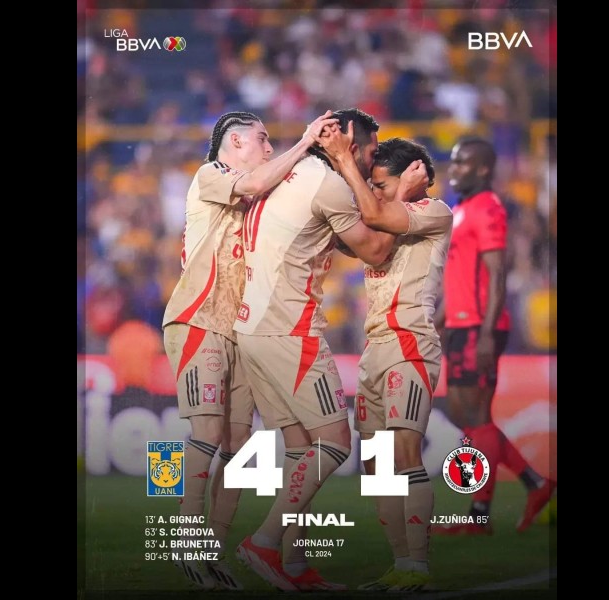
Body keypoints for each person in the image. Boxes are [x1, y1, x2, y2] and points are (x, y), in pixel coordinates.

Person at [232, 109, 425, 591]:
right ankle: (264, 542)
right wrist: (401, 196)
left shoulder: (293, 173)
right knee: (335, 442)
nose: (373, 160)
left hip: (252, 328)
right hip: (289, 330)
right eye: (371, 150)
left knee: (302, 450)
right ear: (348, 144)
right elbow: (375, 251)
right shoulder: (328, 184)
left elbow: (340, 238)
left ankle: (294, 565)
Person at [162, 110, 338, 589]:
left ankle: (214, 550)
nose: (268, 147)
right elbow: (259, 180)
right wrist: (304, 143)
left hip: (241, 328)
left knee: (240, 447)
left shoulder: (258, 192)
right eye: (262, 138)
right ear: (236, 142)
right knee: (207, 430)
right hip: (199, 318)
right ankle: (187, 543)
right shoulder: (211, 173)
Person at [320, 131, 452, 591]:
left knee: (404, 453)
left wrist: (389, 189)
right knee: (376, 466)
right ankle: (400, 563)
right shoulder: (382, 217)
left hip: (409, 343)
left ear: (410, 177)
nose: (373, 192)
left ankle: (418, 567)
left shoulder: (434, 211)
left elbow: (376, 215)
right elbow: (351, 232)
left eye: (380, 183)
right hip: (374, 348)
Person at [432, 137, 555, 536]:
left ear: (483, 169)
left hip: (478, 326)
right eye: (453, 162)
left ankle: (479, 515)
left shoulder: (488, 208)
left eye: (462, 163)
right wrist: (438, 321)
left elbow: (497, 273)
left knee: (476, 417)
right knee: (465, 416)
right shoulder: (460, 210)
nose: (454, 170)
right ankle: (537, 484)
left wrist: (486, 333)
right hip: (460, 324)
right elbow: (457, 277)